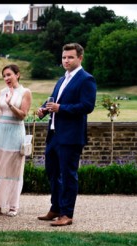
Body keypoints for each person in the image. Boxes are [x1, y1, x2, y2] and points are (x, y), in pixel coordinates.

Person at [35, 42, 97, 226]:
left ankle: (67, 214)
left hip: (71, 136)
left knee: (68, 175)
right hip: (54, 134)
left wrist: (61, 108)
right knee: (52, 173)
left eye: (70, 57)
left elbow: (87, 106)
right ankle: (55, 208)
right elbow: (53, 101)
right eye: (64, 57)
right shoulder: (62, 79)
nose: (66, 60)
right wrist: (44, 110)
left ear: (80, 58)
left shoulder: (86, 79)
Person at [0, 64, 32, 217]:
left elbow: (23, 115)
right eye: (4, 76)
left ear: (18, 74)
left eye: (9, 74)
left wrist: (10, 104)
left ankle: (12, 205)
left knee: (13, 168)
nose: (6, 78)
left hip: (15, 131)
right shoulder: (0, 93)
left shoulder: (25, 92)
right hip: (1, 131)